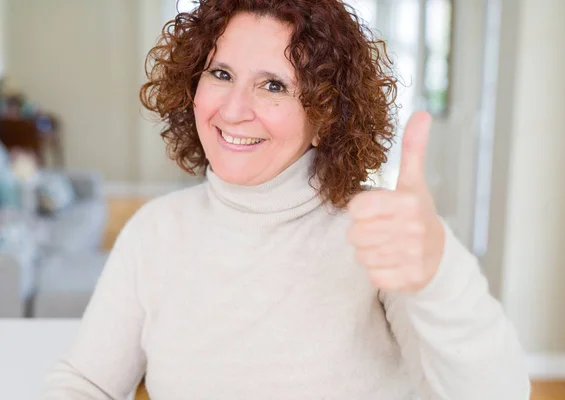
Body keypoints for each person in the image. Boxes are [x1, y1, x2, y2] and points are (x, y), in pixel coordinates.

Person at [43, 1, 530, 399]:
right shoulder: (155, 231)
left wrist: (440, 276)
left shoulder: (377, 237)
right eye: (220, 74)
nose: (233, 110)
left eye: (273, 85)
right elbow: (86, 384)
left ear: (324, 117)